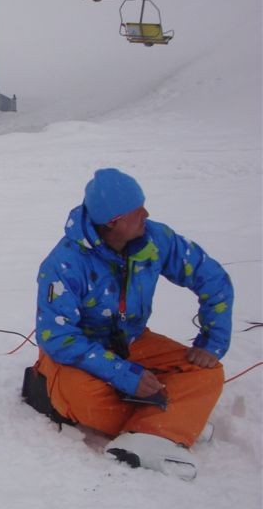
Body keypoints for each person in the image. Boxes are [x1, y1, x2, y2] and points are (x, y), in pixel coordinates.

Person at [31, 168, 233, 479]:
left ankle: (163, 426)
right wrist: (122, 374)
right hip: (78, 354)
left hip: (133, 341)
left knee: (207, 371)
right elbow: (58, 338)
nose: (146, 215)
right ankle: (176, 420)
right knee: (83, 398)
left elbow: (213, 278)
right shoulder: (63, 264)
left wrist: (212, 340)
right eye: (137, 211)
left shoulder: (156, 239)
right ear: (113, 222)